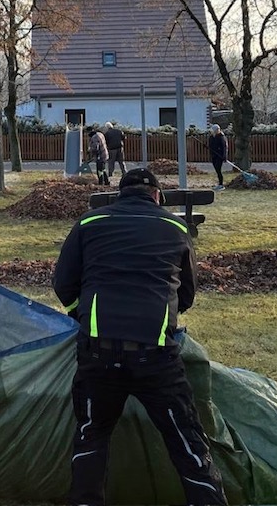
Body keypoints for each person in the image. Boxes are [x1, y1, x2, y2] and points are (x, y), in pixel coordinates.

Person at [52, 167, 227, 506]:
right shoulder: (176, 228)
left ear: (118, 195)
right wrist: (163, 313)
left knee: (92, 434)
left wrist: (82, 315)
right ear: (157, 196)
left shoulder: (88, 223)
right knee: (185, 437)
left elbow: (63, 284)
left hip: (99, 353)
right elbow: (187, 294)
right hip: (155, 355)